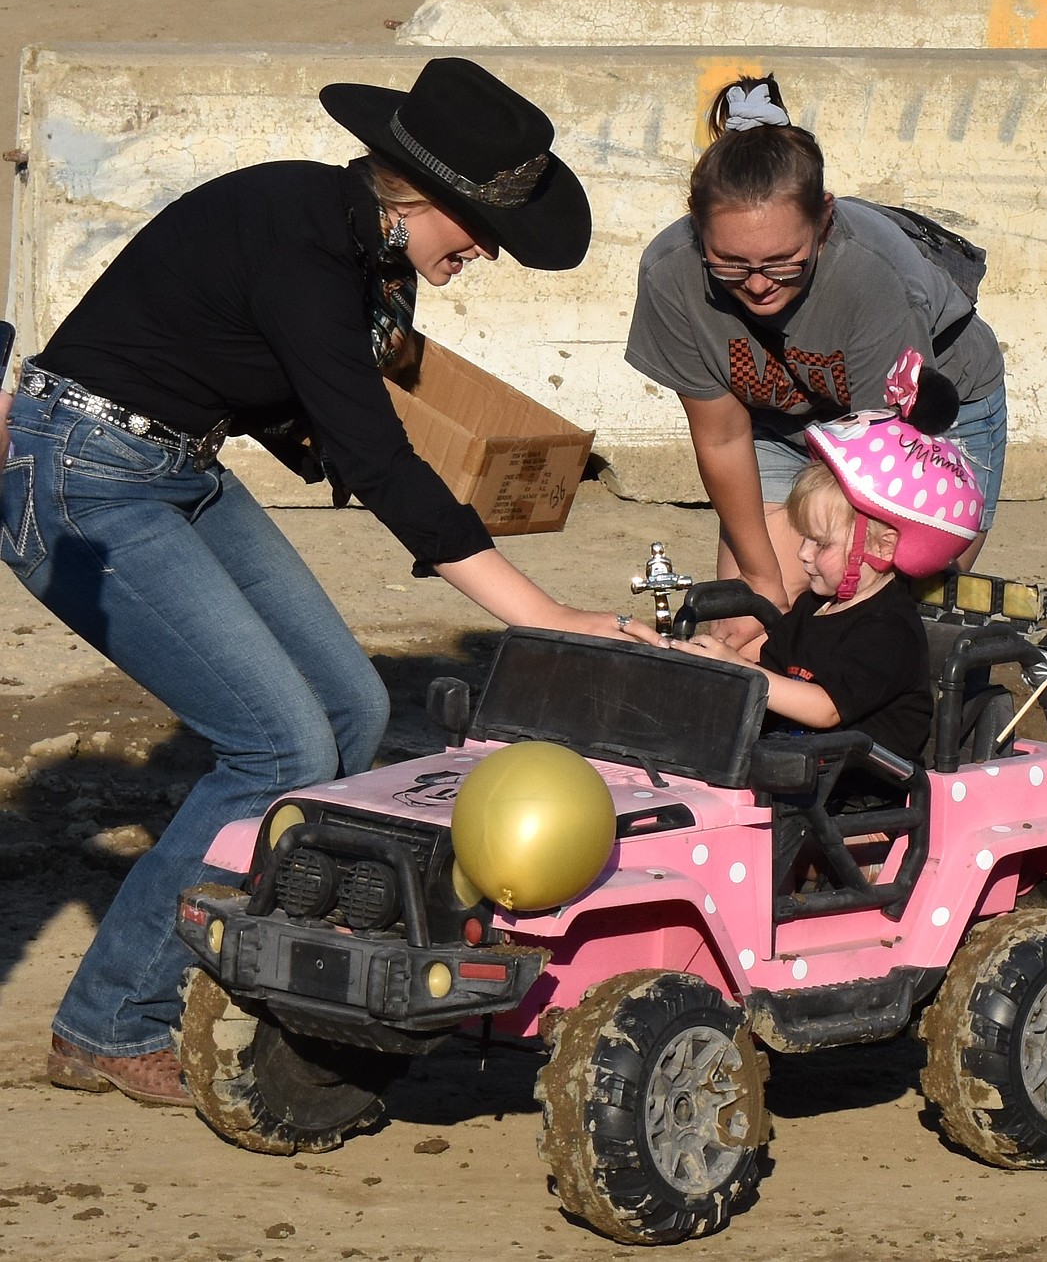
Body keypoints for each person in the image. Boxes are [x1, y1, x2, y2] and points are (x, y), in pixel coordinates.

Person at [0, 57, 630, 1108]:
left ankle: (256, 961)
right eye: (476, 228)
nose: (481, 253)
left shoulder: (349, 239)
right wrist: (548, 618)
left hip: (176, 466)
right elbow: (377, 463)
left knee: (351, 706)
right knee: (278, 743)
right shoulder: (308, 250)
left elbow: (302, 400)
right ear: (420, 197)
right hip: (85, 480)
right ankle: (112, 1022)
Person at [625, 73, 1006, 650]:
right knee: (744, 629)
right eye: (730, 264)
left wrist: (827, 591)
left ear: (824, 218)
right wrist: (763, 584)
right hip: (780, 420)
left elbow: (886, 467)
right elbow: (723, 438)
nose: (756, 286)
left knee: (872, 618)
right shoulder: (671, 274)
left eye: (783, 262)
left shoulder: (871, 275)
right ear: (696, 229)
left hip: (911, 434)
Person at [625, 351, 985, 773]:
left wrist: (742, 670)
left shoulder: (889, 630)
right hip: (800, 778)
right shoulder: (812, 610)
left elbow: (824, 709)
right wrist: (716, 663)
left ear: (883, 548)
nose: (802, 555)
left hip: (861, 794)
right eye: (804, 539)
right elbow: (771, 671)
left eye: (820, 543)